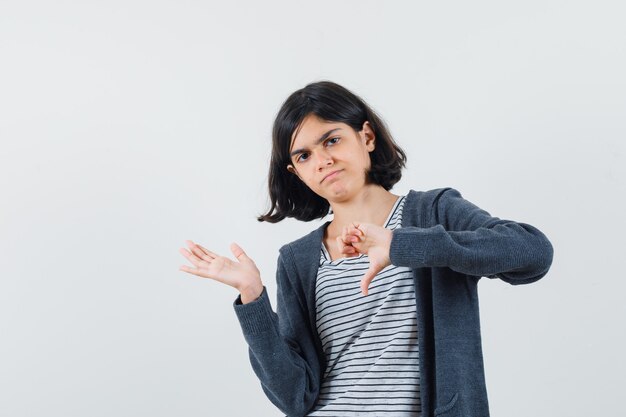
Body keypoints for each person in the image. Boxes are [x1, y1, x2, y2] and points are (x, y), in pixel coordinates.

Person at [178, 81, 554, 417]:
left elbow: (532, 254)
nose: (322, 160)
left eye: (332, 140)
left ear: (367, 137)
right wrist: (253, 298)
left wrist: (401, 244)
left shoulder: (431, 212)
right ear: (296, 173)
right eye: (303, 156)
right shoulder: (297, 261)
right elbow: (295, 397)